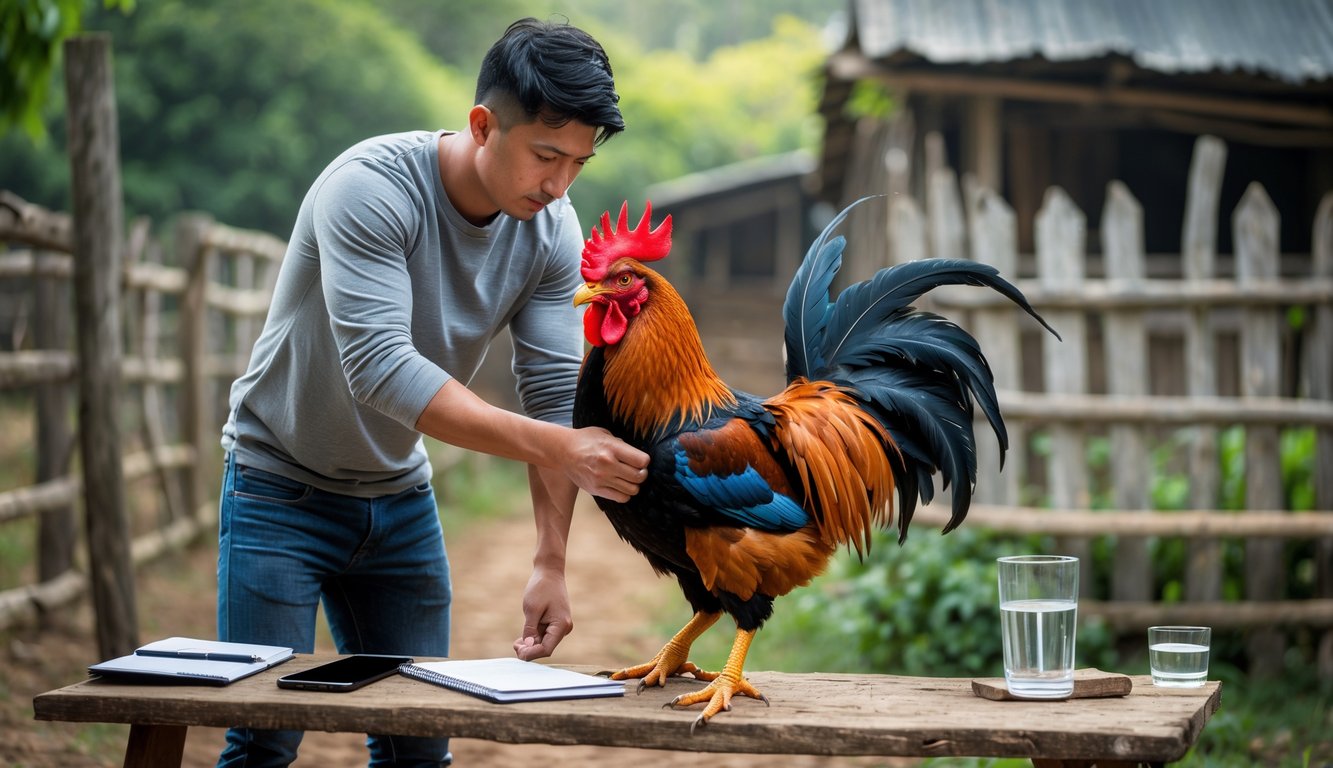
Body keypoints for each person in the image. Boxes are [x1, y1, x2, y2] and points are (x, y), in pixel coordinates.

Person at [214, 17, 648, 768]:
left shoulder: (550, 229)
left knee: (420, 744)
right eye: (545, 155)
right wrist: (562, 447)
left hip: (399, 502)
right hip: (277, 490)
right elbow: (381, 368)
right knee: (264, 737)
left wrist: (551, 560)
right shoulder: (370, 189)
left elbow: (551, 391)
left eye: (577, 163)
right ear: (483, 125)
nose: (558, 184)